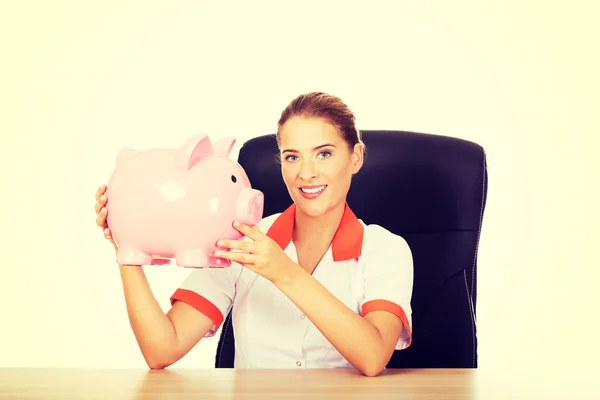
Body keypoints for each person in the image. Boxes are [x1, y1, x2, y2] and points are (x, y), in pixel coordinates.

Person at [94, 92, 413, 377]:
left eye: (324, 153)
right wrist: (126, 242)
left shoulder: (385, 249)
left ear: (355, 157)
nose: (306, 172)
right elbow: (162, 348)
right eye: (292, 157)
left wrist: (284, 273)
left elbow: (373, 358)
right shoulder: (239, 238)